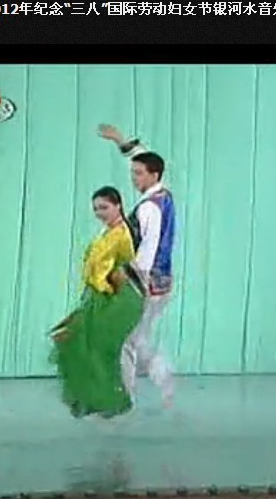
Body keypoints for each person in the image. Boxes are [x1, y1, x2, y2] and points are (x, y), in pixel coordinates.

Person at [97, 124, 176, 409]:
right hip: (160, 282)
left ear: (153, 175)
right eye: (132, 173)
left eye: (139, 174)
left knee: (128, 341)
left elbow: (148, 252)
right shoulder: (162, 194)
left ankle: (127, 396)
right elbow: (144, 156)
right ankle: (162, 381)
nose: (134, 178)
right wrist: (120, 140)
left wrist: (126, 277)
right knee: (137, 339)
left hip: (147, 284)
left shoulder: (149, 208)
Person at [49, 186, 145, 419]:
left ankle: (112, 400)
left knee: (98, 349)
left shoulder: (122, 234)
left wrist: (118, 284)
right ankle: (89, 399)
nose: (99, 213)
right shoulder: (107, 233)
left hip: (116, 298)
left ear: (118, 206)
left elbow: (129, 268)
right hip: (97, 296)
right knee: (78, 343)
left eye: (104, 207)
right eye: (96, 209)